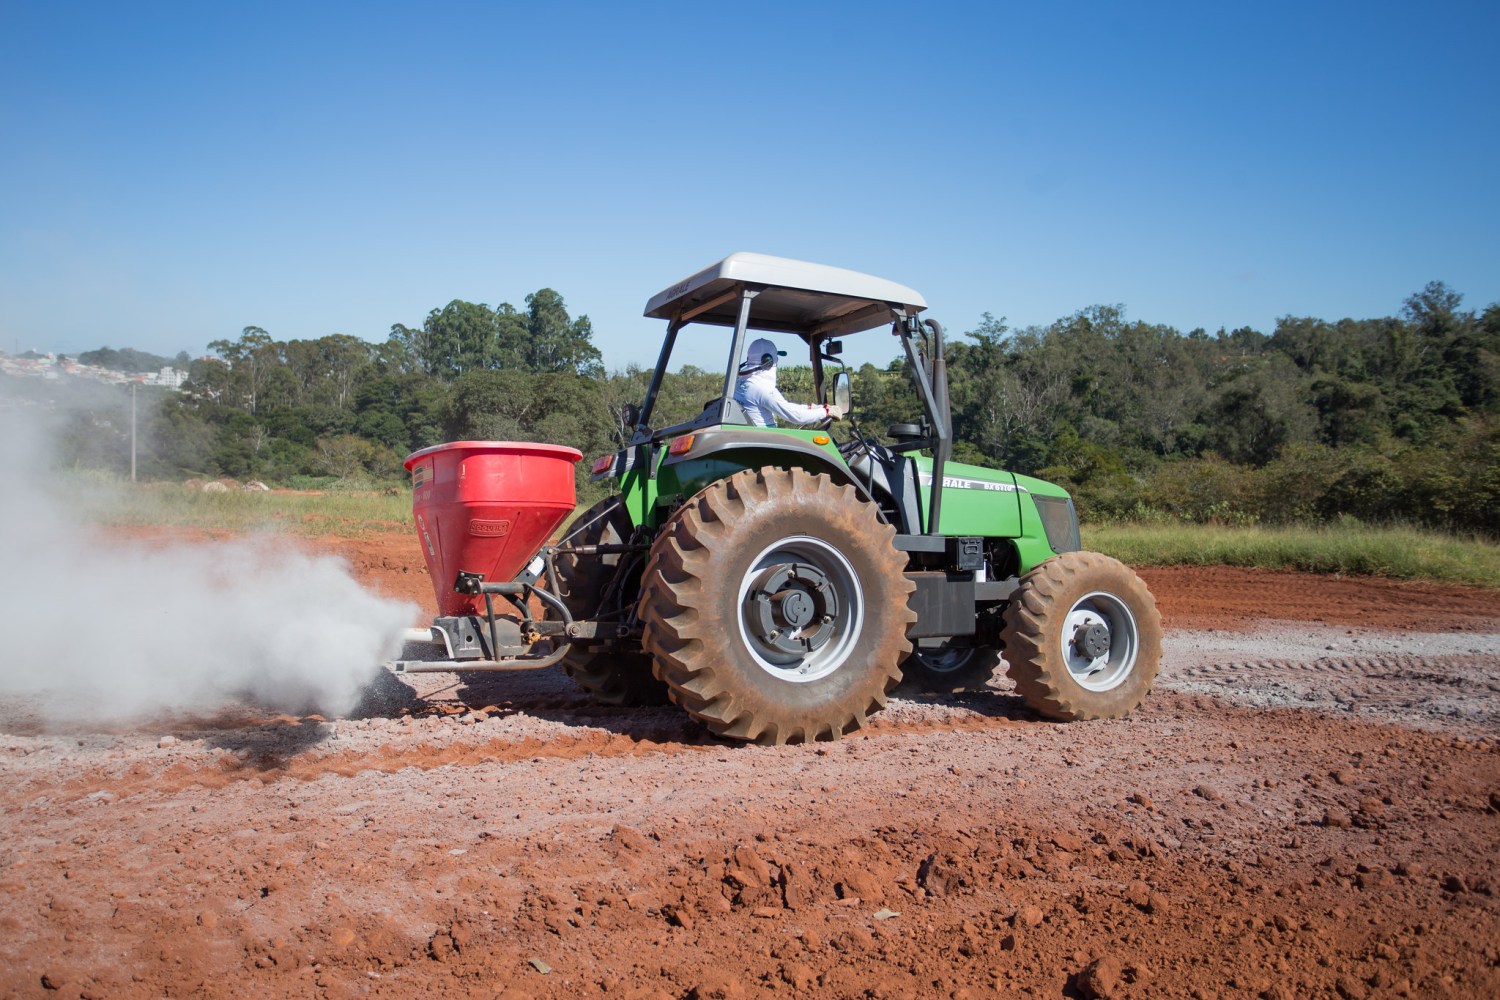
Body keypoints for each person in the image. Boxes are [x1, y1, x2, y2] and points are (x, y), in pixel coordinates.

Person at [732, 337, 845, 427]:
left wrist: (811, 408)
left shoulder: (740, 383)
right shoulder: (763, 390)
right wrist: (825, 412)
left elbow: (786, 407)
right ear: (769, 362)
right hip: (764, 444)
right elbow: (796, 416)